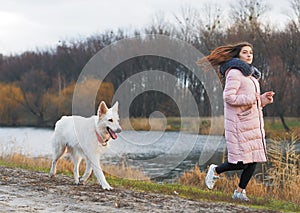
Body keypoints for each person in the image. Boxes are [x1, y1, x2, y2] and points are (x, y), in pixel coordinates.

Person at [197, 42, 275, 202]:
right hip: (239, 124)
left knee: (254, 158)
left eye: (251, 52)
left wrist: (263, 99)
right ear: (237, 56)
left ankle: (240, 192)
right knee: (239, 161)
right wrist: (254, 98)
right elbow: (229, 97)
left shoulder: (251, 76)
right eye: (245, 52)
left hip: (252, 123)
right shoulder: (234, 72)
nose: (249, 55)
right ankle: (216, 170)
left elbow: (251, 101)